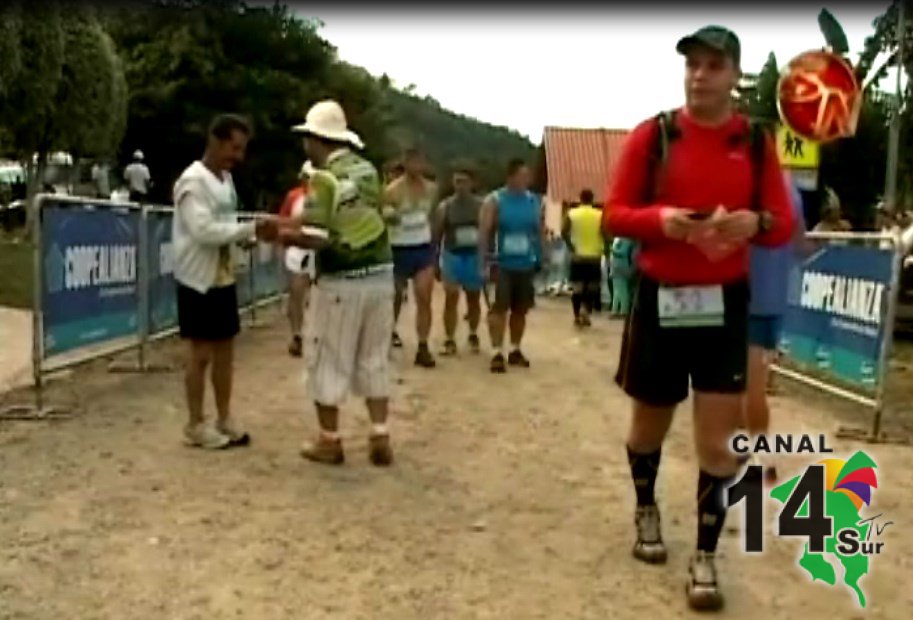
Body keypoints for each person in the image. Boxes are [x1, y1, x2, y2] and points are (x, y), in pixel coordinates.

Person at [604, 26, 794, 612]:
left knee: (718, 442)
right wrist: (660, 220)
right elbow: (613, 215)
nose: (699, 75)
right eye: (692, 65)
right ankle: (645, 507)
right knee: (648, 429)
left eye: (713, 65)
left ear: (735, 76)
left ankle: (706, 557)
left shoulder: (758, 143)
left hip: (723, 301)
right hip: (660, 296)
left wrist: (754, 224)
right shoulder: (652, 136)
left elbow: (783, 224)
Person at [280, 99, 395, 467]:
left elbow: (316, 236)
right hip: (380, 274)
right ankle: (380, 433)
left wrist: (280, 234)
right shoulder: (368, 171)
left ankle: (330, 440)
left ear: (317, 139)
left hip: (341, 279)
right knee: (374, 356)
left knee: (327, 355)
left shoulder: (322, 180)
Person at [172, 114, 280, 449]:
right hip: (197, 279)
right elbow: (202, 230)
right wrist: (249, 229)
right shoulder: (192, 182)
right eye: (234, 148)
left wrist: (241, 239)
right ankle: (194, 423)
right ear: (215, 141)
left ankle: (223, 417)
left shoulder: (225, 180)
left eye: (242, 149)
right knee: (200, 353)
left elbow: (224, 223)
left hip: (223, 277)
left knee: (225, 352)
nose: (238, 156)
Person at [745, 170, 807, 486]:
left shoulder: (743, 178)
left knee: (749, 388)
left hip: (745, 295)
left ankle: (762, 460)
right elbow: (801, 244)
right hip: (775, 298)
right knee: (755, 384)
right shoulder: (790, 186)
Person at [478, 158, 545, 373]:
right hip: (501, 263)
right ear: (511, 177)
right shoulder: (495, 200)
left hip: (525, 262)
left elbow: (539, 231)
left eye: (528, 176)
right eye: (522, 176)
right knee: (499, 308)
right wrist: (483, 262)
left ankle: (515, 349)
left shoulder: (533, 201)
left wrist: (542, 256)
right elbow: (484, 232)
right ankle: (496, 351)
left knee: (520, 309)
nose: (526, 180)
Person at [383, 148, 439, 367]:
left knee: (424, 296)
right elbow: (384, 215)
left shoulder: (432, 190)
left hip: (422, 248)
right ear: (405, 163)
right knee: (395, 296)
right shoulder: (392, 190)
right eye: (412, 161)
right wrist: (391, 215)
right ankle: (387, 336)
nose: (416, 165)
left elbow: (432, 218)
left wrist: (435, 246)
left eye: (420, 161)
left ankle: (423, 346)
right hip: (398, 248)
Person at [433, 163, 484, 356]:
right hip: (453, 256)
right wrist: (435, 261)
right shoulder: (445, 207)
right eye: (456, 182)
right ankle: (449, 338)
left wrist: (487, 258)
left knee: (473, 298)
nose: (459, 186)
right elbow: (437, 235)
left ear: (472, 183)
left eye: (463, 181)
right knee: (450, 298)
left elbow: (488, 232)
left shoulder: (481, 206)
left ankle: (472, 333)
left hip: (473, 256)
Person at [278, 161, 317, 357]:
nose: (309, 181)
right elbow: (283, 220)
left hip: (318, 249)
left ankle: (319, 335)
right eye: (307, 177)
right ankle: (297, 335)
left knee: (321, 294)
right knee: (297, 292)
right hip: (297, 250)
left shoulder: (326, 197)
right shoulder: (294, 196)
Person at [563, 189, 604, 327]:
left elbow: (564, 232)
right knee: (592, 287)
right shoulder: (600, 215)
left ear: (580, 199)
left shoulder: (571, 214)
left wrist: (571, 246)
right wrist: (605, 248)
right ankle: (586, 311)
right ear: (593, 199)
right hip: (594, 256)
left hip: (578, 256)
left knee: (578, 288)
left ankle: (576, 315)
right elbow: (606, 233)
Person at [609, 236, 637, 316]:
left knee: (622, 290)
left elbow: (623, 252)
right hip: (616, 266)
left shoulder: (626, 240)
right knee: (617, 290)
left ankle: (623, 310)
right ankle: (616, 310)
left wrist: (612, 250)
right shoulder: (618, 239)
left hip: (622, 266)